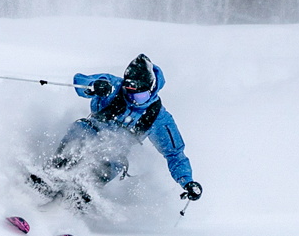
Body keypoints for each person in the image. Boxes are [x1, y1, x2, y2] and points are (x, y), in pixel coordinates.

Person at [28, 53, 202, 209]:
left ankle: (78, 195)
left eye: (139, 96)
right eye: (129, 93)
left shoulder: (158, 117)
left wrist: (187, 182)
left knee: (113, 158)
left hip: (113, 152)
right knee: (81, 129)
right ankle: (51, 176)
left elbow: (174, 153)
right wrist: (95, 86)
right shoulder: (113, 86)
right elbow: (80, 81)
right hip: (90, 132)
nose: (133, 100)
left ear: (151, 90)